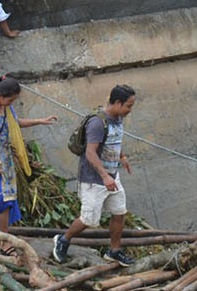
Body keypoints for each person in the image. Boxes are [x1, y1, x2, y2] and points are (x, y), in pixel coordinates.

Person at [53, 84, 138, 266]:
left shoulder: (117, 118)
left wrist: (122, 157)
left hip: (112, 176)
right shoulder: (98, 123)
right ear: (117, 102)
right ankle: (63, 239)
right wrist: (105, 176)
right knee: (88, 220)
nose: (130, 110)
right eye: (128, 106)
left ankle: (114, 251)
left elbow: (114, 140)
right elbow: (90, 153)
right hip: (94, 180)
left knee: (119, 212)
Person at [0, 77, 58, 251]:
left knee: (8, 200)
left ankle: (3, 236)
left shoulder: (6, 108)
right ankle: (3, 240)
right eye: (10, 100)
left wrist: (40, 121)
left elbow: (14, 124)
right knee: (1, 199)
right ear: (1, 95)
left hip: (6, 163)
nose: (11, 103)